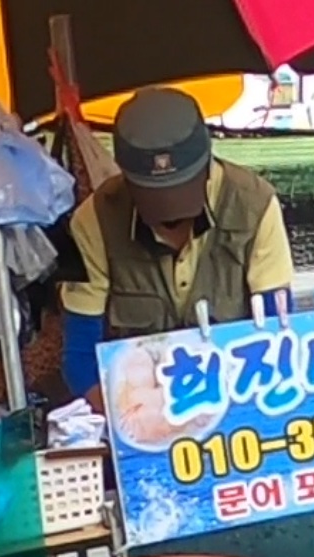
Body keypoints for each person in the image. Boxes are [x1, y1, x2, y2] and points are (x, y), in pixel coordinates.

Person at [58, 86, 293, 393]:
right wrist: (122, 411)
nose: (170, 218)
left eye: (180, 192)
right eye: (154, 198)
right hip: (136, 395)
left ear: (207, 165)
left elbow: (280, 332)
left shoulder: (255, 206)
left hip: (239, 390)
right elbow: (80, 355)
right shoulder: (95, 221)